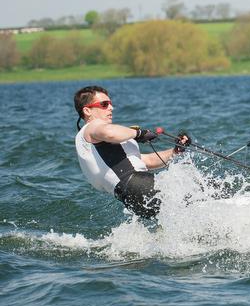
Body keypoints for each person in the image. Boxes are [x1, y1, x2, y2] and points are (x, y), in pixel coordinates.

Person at [73, 85, 190, 218]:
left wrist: (175, 151)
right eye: (104, 104)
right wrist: (139, 133)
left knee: (188, 214)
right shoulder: (93, 127)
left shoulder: (97, 141)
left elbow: (148, 161)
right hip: (138, 185)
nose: (111, 108)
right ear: (87, 111)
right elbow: (109, 133)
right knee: (208, 192)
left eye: (110, 104)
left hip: (131, 198)